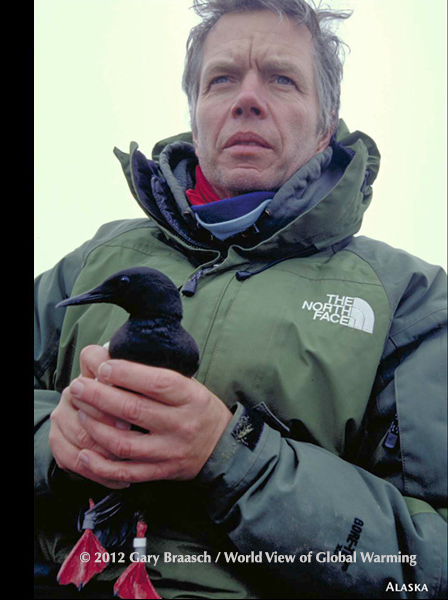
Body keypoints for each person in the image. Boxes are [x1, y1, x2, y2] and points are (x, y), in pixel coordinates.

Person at [34, 0, 447, 597]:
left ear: (326, 124)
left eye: (282, 79)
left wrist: (235, 462)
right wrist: (54, 437)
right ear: (197, 115)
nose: (247, 98)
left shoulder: (411, 298)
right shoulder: (97, 257)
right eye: (222, 79)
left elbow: (428, 567)